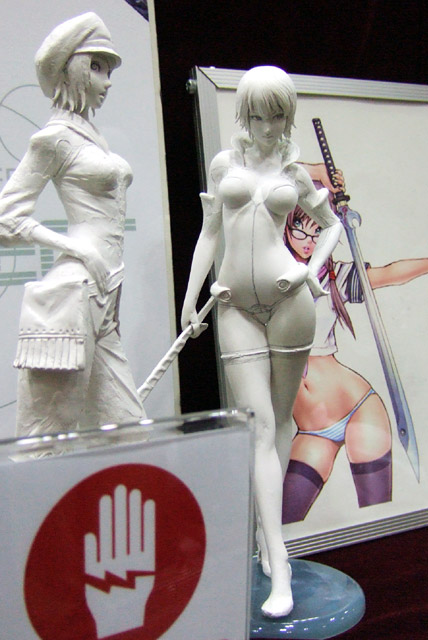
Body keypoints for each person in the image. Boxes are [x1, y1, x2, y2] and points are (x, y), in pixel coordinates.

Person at [181, 66, 341, 618]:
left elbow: (330, 225)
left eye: (277, 115)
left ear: (287, 115)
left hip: (289, 303)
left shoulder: (293, 171)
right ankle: (279, 558)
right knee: (261, 429)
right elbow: (209, 232)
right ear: (244, 113)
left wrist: (307, 270)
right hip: (233, 307)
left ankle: (269, 541)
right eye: (258, 114)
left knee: (280, 422)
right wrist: (189, 301)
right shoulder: (225, 164)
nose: (268, 126)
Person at [0, 13, 145, 436]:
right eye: (96, 67)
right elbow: (6, 218)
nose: (107, 81)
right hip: (74, 293)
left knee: (128, 433)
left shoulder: (89, 136)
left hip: (105, 295)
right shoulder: (53, 139)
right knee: (45, 437)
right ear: (72, 70)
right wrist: (76, 248)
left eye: (108, 70)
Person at [282, 186, 428, 522]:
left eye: (318, 230)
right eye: (299, 228)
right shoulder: (270, 280)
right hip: (312, 431)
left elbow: (388, 275)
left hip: (359, 409)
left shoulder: (334, 278)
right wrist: (320, 174)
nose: (308, 240)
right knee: (285, 522)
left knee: (377, 521)